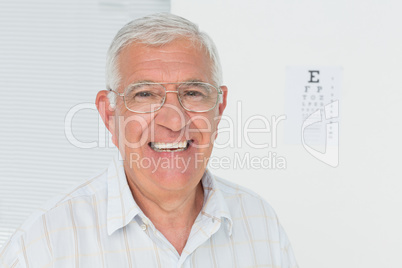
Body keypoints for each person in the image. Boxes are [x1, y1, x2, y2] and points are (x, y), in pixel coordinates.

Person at [0, 13, 298, 267]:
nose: (174, 121)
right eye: (145, 95)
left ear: (218, 109)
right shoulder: (43, 246)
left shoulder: (262, 224)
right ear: (109, 114)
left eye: (193, 93)